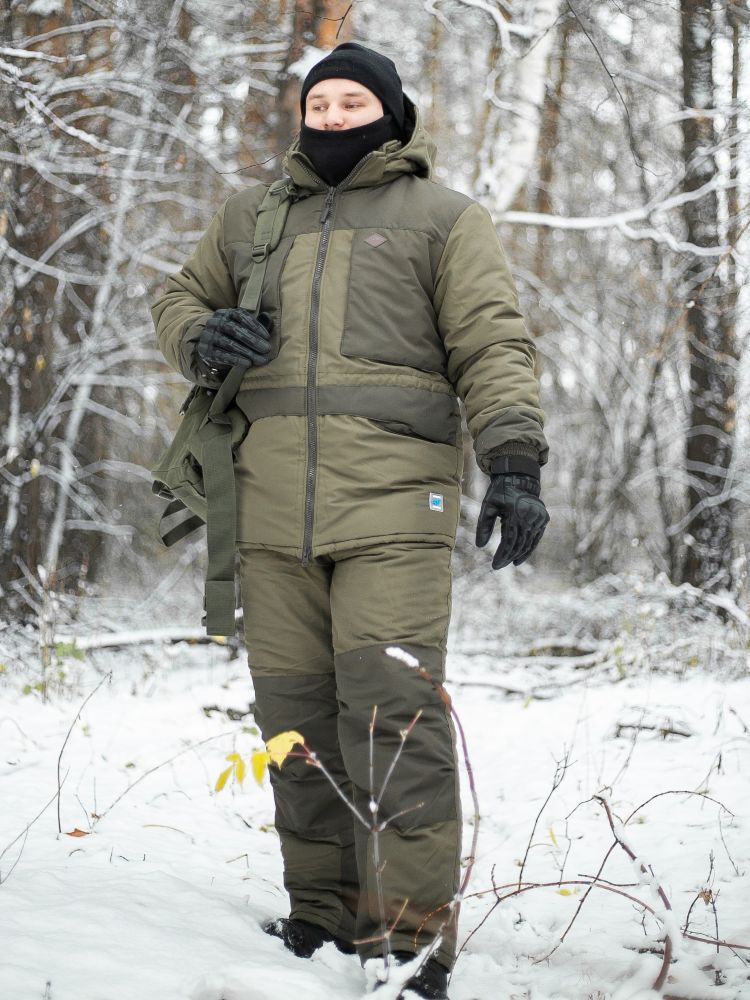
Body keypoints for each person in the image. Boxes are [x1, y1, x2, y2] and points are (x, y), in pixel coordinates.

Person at [151, 42, 549, 1000]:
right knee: (293, 723)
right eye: (319, 102)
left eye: (351, 103)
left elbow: (492, 341)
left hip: (396, 507)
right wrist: (202, 334)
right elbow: (176, 298)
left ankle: (408, 944)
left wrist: (513, 460)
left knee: (394, 719)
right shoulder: (252, 216)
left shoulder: (444, 218)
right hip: (266, 509)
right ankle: (320, 913)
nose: (331, 116)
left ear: (391, 114)